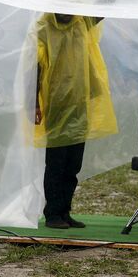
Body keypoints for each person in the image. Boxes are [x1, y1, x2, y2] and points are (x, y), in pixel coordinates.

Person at [34, 13, 118, 228]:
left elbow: (102, 9)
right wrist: (34, 102)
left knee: (73, 166)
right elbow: (34, 68)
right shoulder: (42, 28)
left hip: (79, 105)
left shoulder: (81, 21)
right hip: (56, 106)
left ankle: (64, 211)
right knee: (56, 165)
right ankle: (52, 213)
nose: (67, 12)